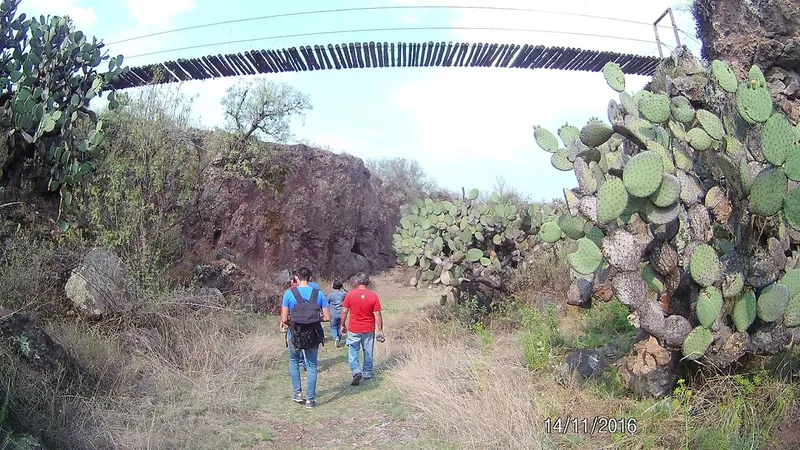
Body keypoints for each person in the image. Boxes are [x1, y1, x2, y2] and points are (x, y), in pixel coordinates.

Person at [281, 266, 330, 408]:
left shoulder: (289, 294)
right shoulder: (318, 294)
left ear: (296, 278)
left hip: (295, 334)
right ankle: (310, 399)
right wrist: (313, 318)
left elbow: (284, 319)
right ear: (310, 278)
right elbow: (327, 317)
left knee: (294, 361)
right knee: (312, 366)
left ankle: (297, 393)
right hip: (313, 334)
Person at [340, 272, 383, 386]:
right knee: (368, 350)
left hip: (354, 328)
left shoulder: (350, 294)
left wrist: (342, 324)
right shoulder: (373, 296)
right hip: (368, 328)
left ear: (357, 281)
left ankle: (356, 370)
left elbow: (344, 311)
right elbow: (377, 314)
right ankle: (367, 372)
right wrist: (380, 329)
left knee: (353, 350)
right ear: (367, 282)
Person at [326, 280, 347, 347]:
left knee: (333, 327)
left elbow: (326, 303)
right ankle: (339, 339)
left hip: (333, 314)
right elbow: (349, 293)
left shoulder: (330, 295)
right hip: (341, 313)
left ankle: (336, 338)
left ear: (333, 286)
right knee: (340, 326)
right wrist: (344, 288)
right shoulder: (343, 294)